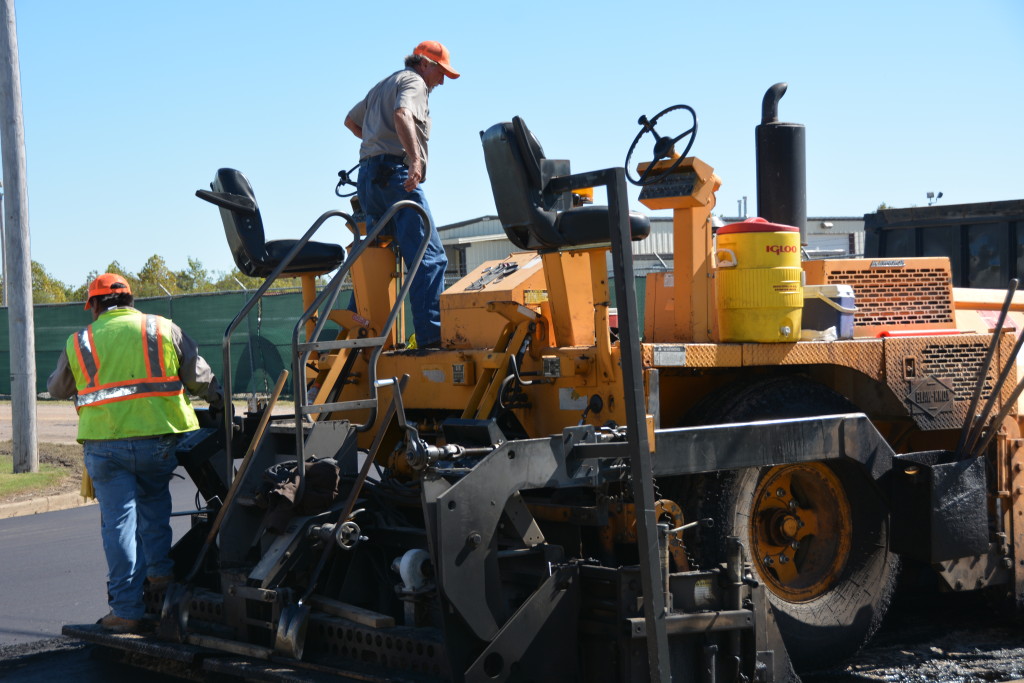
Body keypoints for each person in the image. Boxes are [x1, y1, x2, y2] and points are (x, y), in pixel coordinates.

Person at [47, 273, 224, 633]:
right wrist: (219, 401)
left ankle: (126, 609)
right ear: (130, 299)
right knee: (155, 504)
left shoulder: (81, 341)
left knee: (118, 526)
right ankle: (160, 575)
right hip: (159, 441)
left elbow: (56, 389)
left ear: (94, 305)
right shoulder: (162, 328)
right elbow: (199, 376)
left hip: (105, 446)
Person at [344, 40, 459, 349]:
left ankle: (358, 338)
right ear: (425, 64)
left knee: (375, 259)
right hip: (395, 177)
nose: (442, 81)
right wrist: (414, 158)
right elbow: (402, 114)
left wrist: (377, 144)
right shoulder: (414, 82)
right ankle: (431, 339)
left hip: (369, 178)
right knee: (430, 257)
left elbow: (351, 121)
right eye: (441, 72)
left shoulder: (383, 84)